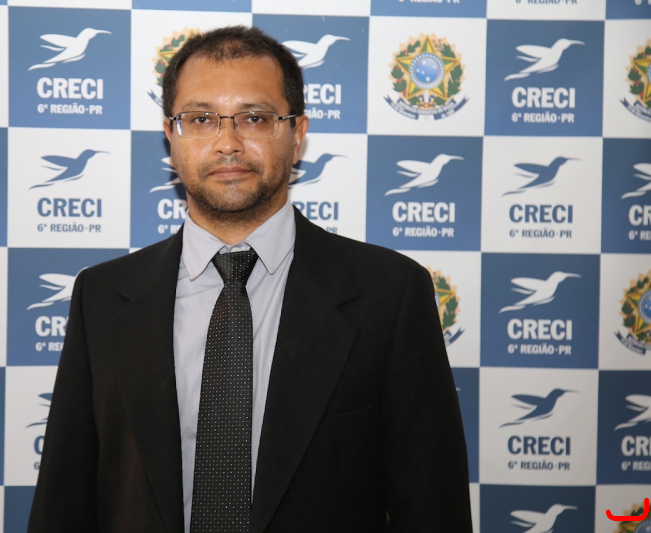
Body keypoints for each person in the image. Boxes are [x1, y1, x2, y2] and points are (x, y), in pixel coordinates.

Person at [28, 26, 472, 533]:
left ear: (297, 133)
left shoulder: (390, 294)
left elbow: (432, 508)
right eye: (200, 119)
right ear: (171, 135)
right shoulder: (102, 297)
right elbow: (64, 502)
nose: (228, 143)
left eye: (255, 118)